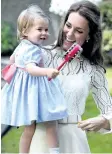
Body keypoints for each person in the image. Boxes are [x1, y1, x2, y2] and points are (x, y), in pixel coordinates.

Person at [29, 1, 112, 153]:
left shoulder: (93, 68)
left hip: (74, 140)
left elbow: (109, 110)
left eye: (79, 31)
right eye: (68, 25)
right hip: (41, 136)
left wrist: (105, 121)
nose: (69, 34)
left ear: (89, 35)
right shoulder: (39, 55)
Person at [1, 4, 68, 154]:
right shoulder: (32, 49)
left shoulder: (22, 46)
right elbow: (31, 69)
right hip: (35, 90)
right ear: (25, 31)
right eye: (40, 29)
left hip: (26, 93)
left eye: (46, 29)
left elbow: (12, 60)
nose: (44, 33)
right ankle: (55, 151)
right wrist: (47, 71)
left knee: (29, 128)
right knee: (51, 122)